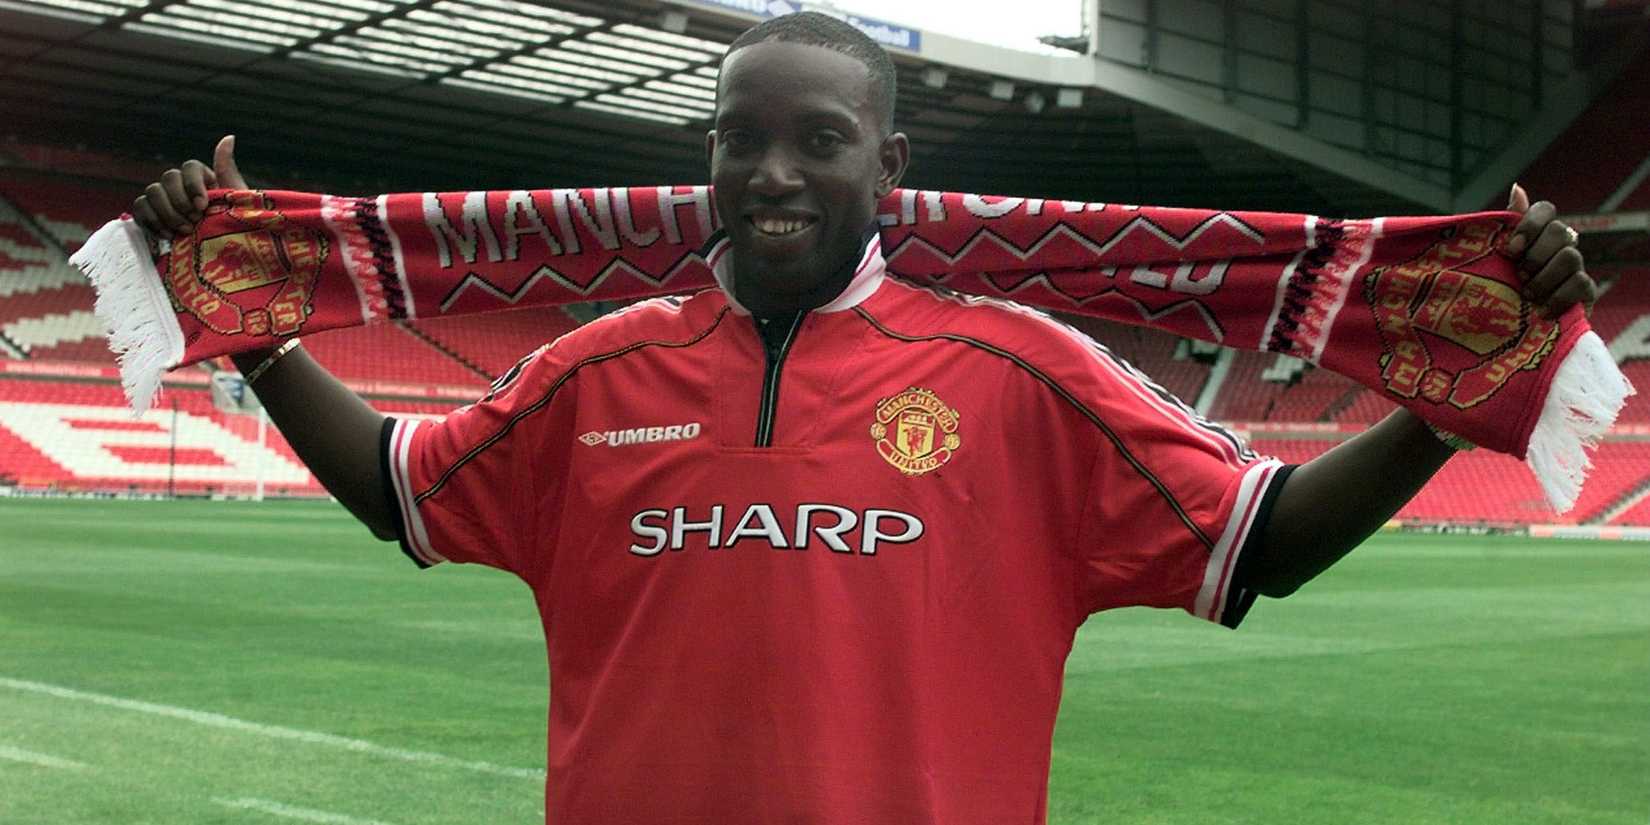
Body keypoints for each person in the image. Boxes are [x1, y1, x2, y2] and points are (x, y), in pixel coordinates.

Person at [130, 12, 1596, 824]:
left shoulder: (1021, 368)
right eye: (739, 139)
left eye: (816, 141)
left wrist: (1442, 398)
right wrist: (254, 342)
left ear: (884, 164)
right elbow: (404, 487)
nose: (773, 172)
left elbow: (1260, 540)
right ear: (705, 156)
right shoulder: (597, 368)